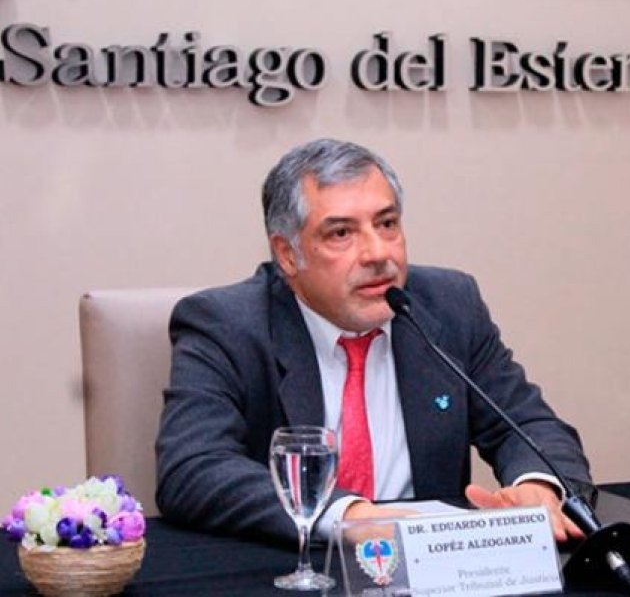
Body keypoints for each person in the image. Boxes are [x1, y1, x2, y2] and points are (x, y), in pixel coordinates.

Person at [155, 138, 596, 546]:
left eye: (387, 224)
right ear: (288, 254)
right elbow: (193, 467)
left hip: (433, 573)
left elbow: (528, 425)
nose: (378, 254)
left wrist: (537, 486)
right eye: (341, 234)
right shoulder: (226, 324)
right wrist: (349, 516)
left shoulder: (449, 305)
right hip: (293, 570)